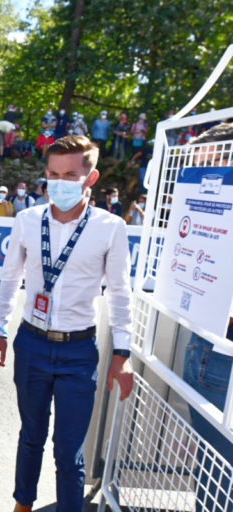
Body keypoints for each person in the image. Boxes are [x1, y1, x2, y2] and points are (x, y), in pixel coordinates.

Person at [0, 135, 133, 512]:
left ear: (91, 178)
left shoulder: (110, 227)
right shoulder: (27, 220)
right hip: (31, 343)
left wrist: (122, 353)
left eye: (70, 175)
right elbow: (10, 278)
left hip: (78, 351)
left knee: (68, 451)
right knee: (31, 436)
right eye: (53, 174)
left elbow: (120, 293)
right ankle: (23, 504)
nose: (59, 183)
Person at [181, 122, 233, 512]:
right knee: (215, 471)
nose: (203, 178)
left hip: (218, 353)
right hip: (211, 347)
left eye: (210, 165)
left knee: (218, 474)